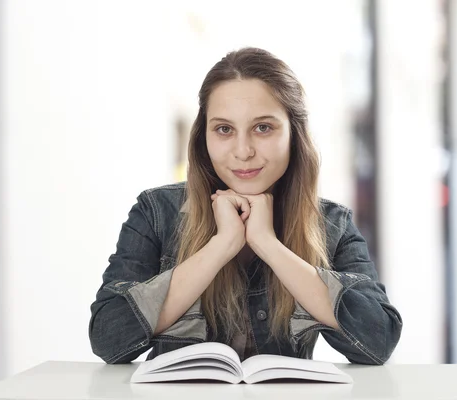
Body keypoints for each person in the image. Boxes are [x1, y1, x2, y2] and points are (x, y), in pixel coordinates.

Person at [89, 47, 402, 365]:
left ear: (294, 133)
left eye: (263, 127)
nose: (243, 151)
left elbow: (378, 339)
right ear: (204, 137)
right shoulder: (156, 212)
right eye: (224, 129)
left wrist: (268, 244)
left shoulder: (332, 223)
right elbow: (108, 338)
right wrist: (221, 245)